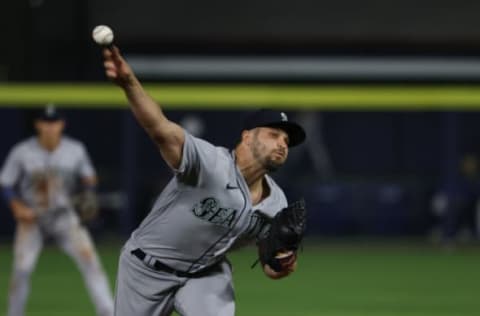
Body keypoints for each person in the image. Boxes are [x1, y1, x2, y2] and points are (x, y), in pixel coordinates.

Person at [101, 46, 306, 316]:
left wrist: (281, 263)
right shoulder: (210, 164)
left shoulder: (276, 201)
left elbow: (268, 264)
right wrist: (128, 83)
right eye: (273, 135)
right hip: (145, 269)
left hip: (205, 275)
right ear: (247, 137)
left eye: (286, 141)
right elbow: (160, 129)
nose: (282, 144)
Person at [0, 105, 114, 316]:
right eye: (45, 122)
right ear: (38, 125)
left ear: (61, 124)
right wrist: (17, 206)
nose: (50, 127)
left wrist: (88, 192)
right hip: (32, 218)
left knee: (91, 262)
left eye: (54, 122)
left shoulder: (75, 149)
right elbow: (6, 183)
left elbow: (89, 178)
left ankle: (108, 311)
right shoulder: (22, 151)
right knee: (22, 269)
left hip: (65, 216)